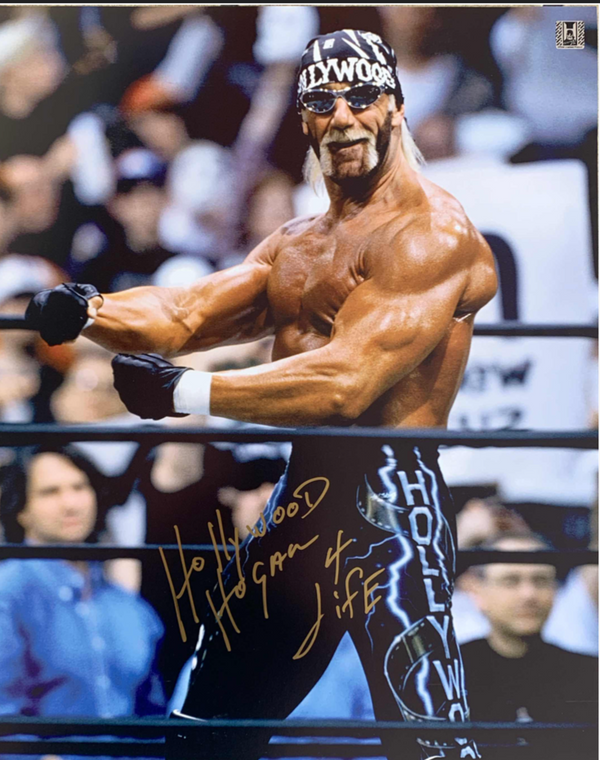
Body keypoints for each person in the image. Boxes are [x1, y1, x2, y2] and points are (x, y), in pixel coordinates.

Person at [25, 29, 497, 760]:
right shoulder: (298, 243)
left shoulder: (431, 233)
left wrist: (187, 392)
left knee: (431, 748)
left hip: (392, 504)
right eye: (322, 102)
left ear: (396, 107)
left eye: (361, 96)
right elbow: (185, 315)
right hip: (304, 496)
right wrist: (89, 310)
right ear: (303, 119)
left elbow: (345, 384)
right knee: (205, 734)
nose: (343, 117)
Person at [0, 446, 166, 743]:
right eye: (50, 492)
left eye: (79, 487)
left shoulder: (128, 605)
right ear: (21, 510)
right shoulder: (8, 591)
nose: (71, 503)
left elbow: (155, 718)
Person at [461, 533, 598, 758]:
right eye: (511, 581)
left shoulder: (590, 674)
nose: (529, 594)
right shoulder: (449, 674)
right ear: (478, 591)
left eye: (541, 580)